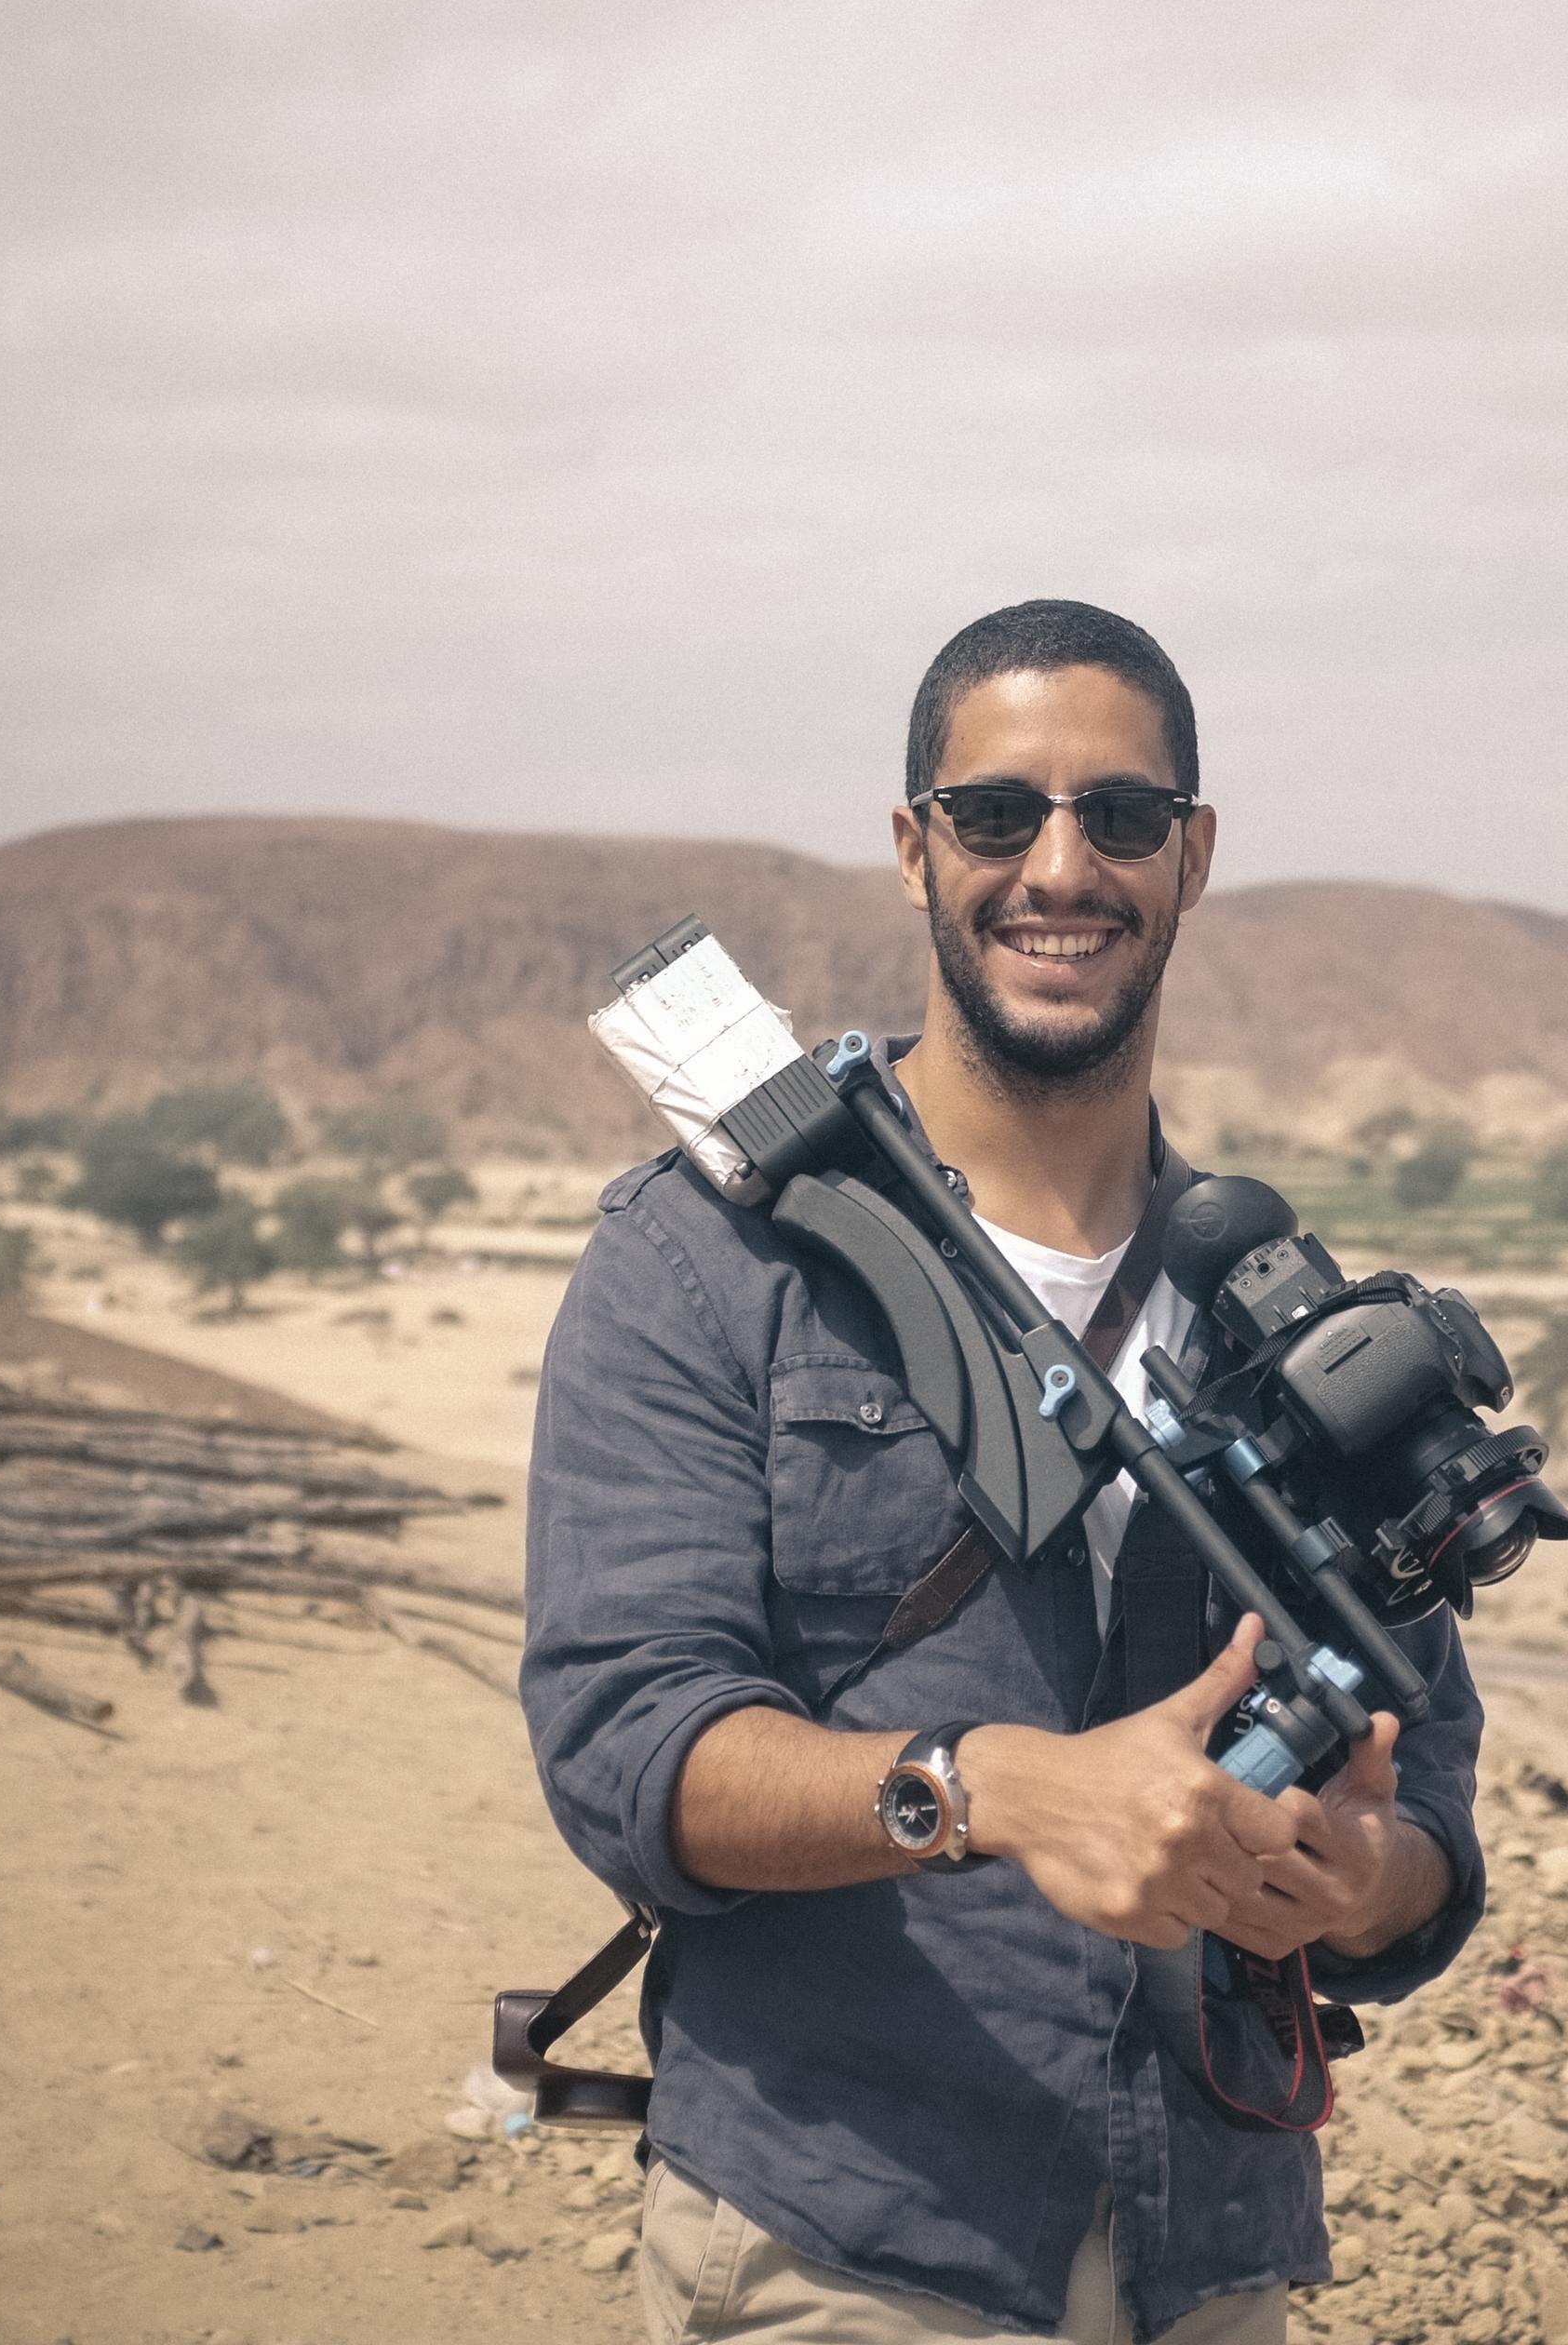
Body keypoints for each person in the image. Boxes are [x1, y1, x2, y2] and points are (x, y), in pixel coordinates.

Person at [521, 600, 1488, 2344]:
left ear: (1192, 860)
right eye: (998, 815)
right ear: (914, 850)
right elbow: (626, 1750)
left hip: (1215, 2243)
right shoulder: (713, 1262)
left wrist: (1362, 1887)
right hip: (851, 2237)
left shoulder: (1279, 1309)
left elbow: (1429, 1797)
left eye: (1122, 818)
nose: (1063, 866)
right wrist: (995, 1791)